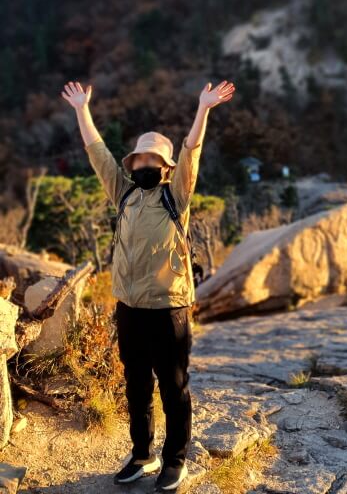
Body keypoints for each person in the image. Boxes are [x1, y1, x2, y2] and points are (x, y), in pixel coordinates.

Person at [61, 79, 235, 490]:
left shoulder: (176, 195)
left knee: (174, 388)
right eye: (138, 160)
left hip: (169, 307)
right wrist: (82, 110)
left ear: (166, 167)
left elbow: (192, 151)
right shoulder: (122, 194)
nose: (143, 165)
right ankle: (142, 455)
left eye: (151, 160)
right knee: (136, 387)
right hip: (129, 307)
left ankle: (175, 459)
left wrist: (203, 109)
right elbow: (98, 154)